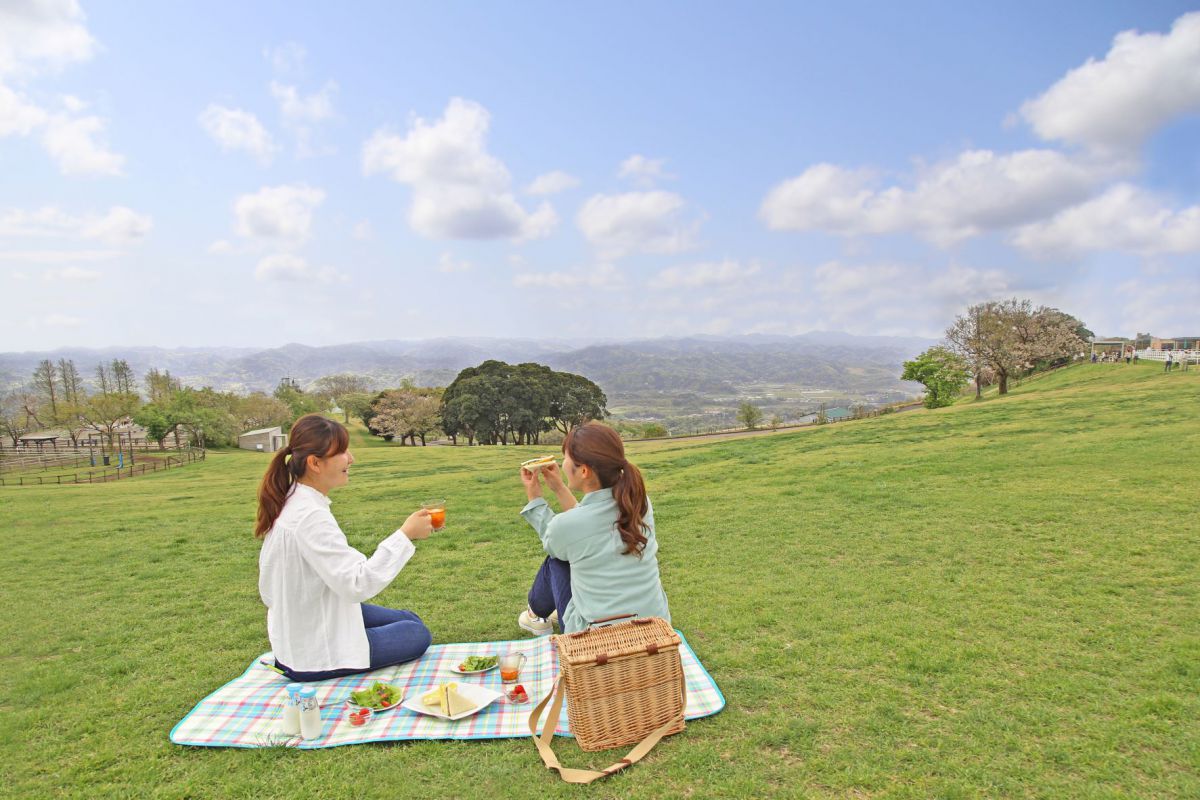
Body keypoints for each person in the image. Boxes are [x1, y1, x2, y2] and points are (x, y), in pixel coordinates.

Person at [256, 414, 434, 681]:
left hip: (302, 630)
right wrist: (406, 535)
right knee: (418, 634)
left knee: (410, 619)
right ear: (315, 463)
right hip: (315, 654)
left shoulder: (293, 501)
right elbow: (357, 584)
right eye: (342, 452)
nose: (351, 459)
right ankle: (344, 650)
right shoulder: (309, 516)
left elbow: (269, 592)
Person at [517, 421, 671, 635]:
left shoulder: (568, 526)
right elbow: (585, 526)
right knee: (570, 551)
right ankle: (537, 614)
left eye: (566, 459)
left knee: (556, 560)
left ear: (584, 471)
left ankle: (536, 615)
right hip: (653, 627)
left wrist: (535, 498)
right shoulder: (639, 503)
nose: (563, 464)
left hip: (595, 636)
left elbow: (557, 538)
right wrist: (559, 488)